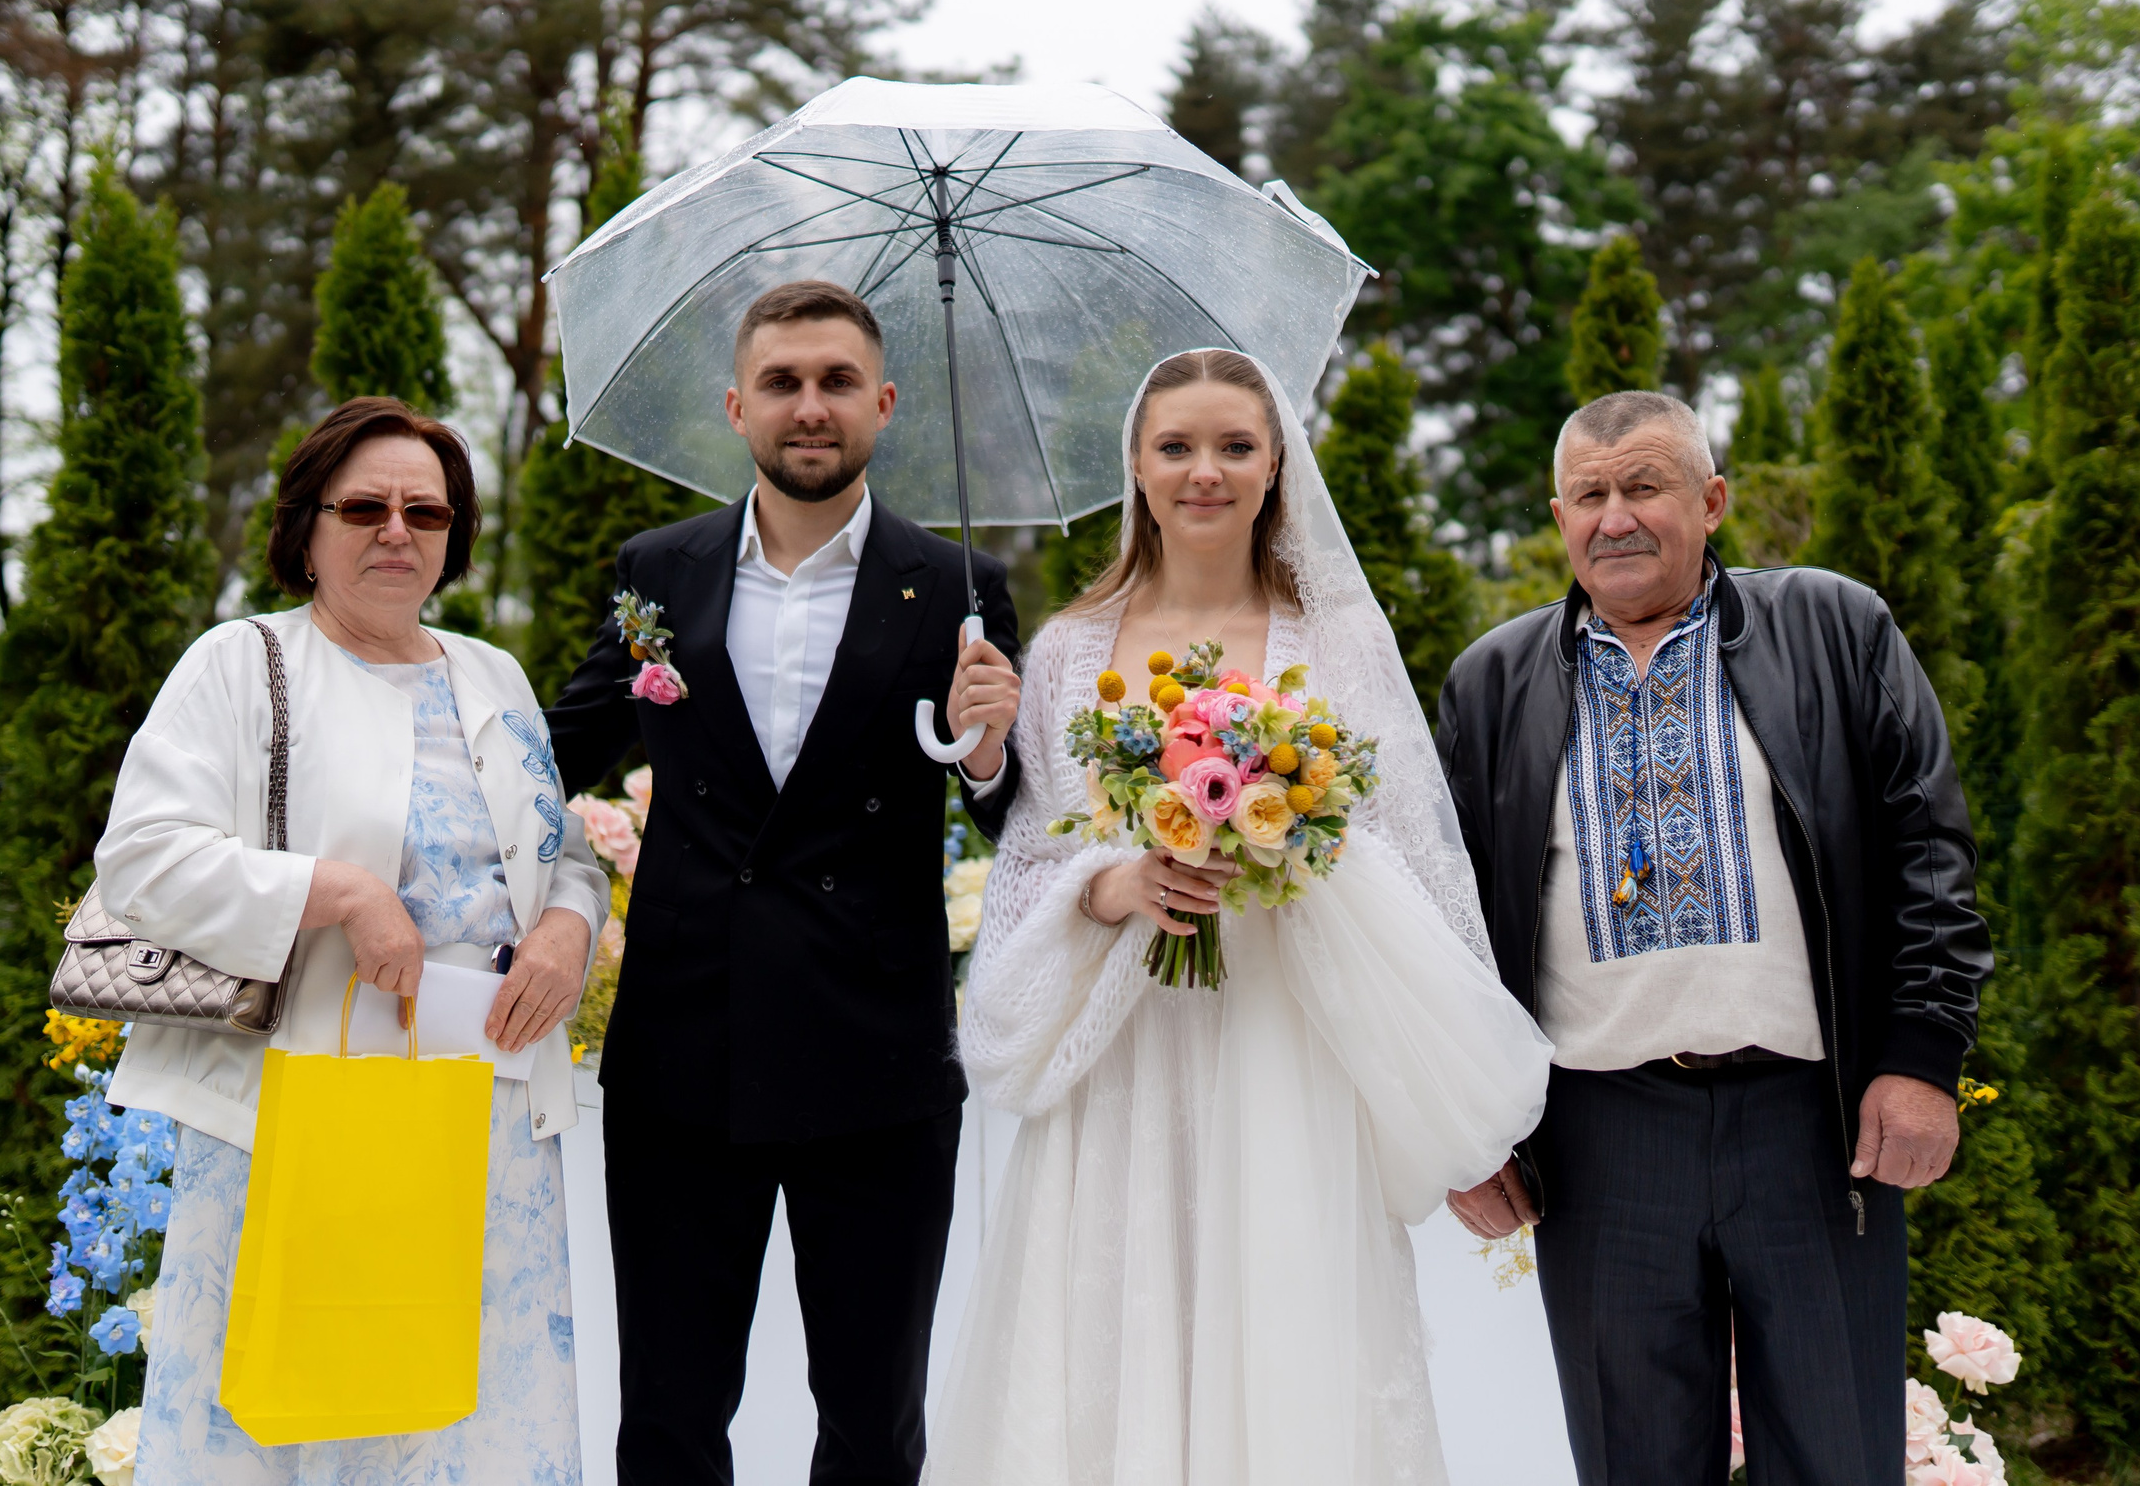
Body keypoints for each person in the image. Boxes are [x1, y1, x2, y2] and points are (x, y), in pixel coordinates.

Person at [931, 348, 1552, 1485]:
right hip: (1118, 1065)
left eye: (1233, 447)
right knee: (1110, 1347)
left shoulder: (1340, 644)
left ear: (1276, 468)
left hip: (1284, 1053)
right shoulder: (1068, 651)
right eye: (1175, 447)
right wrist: (1112, 886)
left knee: (1285, 1345)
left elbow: (1414, 853)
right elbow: (1032, 862)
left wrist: (1453, 1106)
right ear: (1135, 466)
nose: (1202, 473)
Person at [1434, 388, 1993, 1486]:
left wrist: (1921, 1059)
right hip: (1599, 1141)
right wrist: (1462, 1128)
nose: (1615, 518)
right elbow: (1450, 926)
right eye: (1588, 496)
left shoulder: (1835, 628)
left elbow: (1930, 848)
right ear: (1558, 517)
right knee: (1634, 1464)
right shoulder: (1490, 683)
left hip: (1810, 1123)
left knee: (1838, 1458)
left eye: (1644, 486)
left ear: (1713, 501)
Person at [544, 279, 1024, 1486]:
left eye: (836, 382)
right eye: (783, 383)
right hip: (680, 1054)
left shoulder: (961, 589)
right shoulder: (656, 571)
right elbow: (553, 752)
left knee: (872, 1422)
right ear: (737, 405)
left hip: (879, 1060)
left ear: (884, 403)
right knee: (665, 1411)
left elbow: (1015, 812)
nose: (810, 406)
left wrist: (987, 742)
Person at [98, 396, 612, 1479]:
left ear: (454, 537)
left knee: (471, 1429)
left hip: (490, 1126)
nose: (397, 531)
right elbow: (140, 859)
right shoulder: (240, 665)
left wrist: (569, 927)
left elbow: (558, 850)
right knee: (302, 1426)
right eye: (365, 507)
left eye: (426, 513)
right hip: (301, 1119)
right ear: (306, 528)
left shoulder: (493, 675)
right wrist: (335, 890)